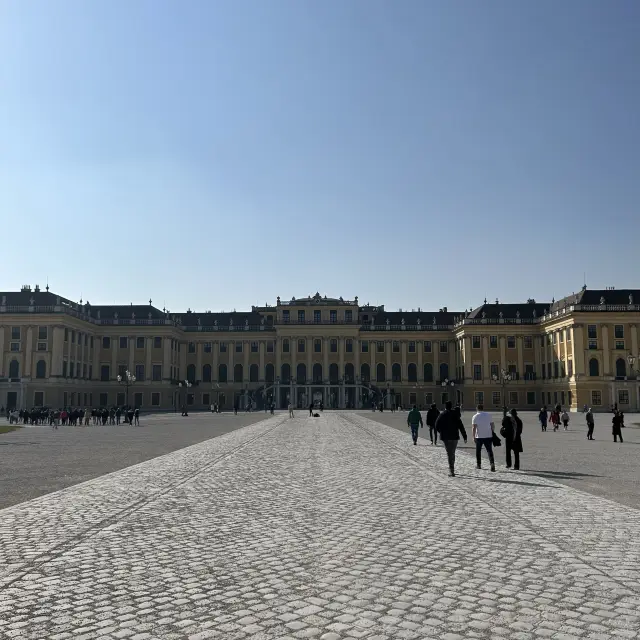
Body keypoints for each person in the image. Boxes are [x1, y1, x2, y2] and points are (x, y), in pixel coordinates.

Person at [435, 401, 467, 477]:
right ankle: (452, 468)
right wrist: (464, 436)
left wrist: (441, 432)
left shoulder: (442, 414)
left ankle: (451, 470)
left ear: (445, 406)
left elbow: (436, 425)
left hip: (446, 437)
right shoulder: (455, 414)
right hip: (454, 436)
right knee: (452, 453)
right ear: (451, 406)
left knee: (449, 453)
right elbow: (461, 426)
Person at [472, 404, 496, 472]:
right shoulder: (488, 415)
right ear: (483, 408)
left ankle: (479, 464)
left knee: (478, 451)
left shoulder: (475, 416)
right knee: (489, 450)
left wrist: (473, 436)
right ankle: (492, 463)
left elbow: (474, 427)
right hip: (488, 435)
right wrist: (492, 432)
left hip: (479, 436)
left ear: (477, 408)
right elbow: (492, 425)